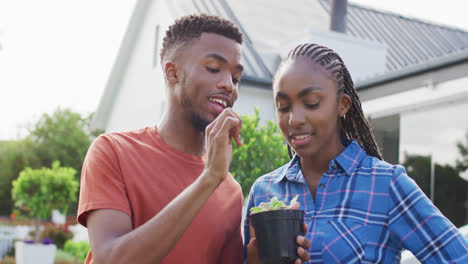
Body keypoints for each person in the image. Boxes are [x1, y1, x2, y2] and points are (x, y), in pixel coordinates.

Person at [78, 14, 310, 264]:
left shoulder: (228, 189)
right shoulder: (113, 152)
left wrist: (259, 259)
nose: (229, 86)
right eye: (213, 69)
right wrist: (209, 178)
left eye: (236, 78)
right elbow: (109, 259)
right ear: (172, 72)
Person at [244, 43, 468, 263]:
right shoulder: (264, 191)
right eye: (283, 107)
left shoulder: (386, 184)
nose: (294, 118)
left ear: (342, 105)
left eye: (311, 103)